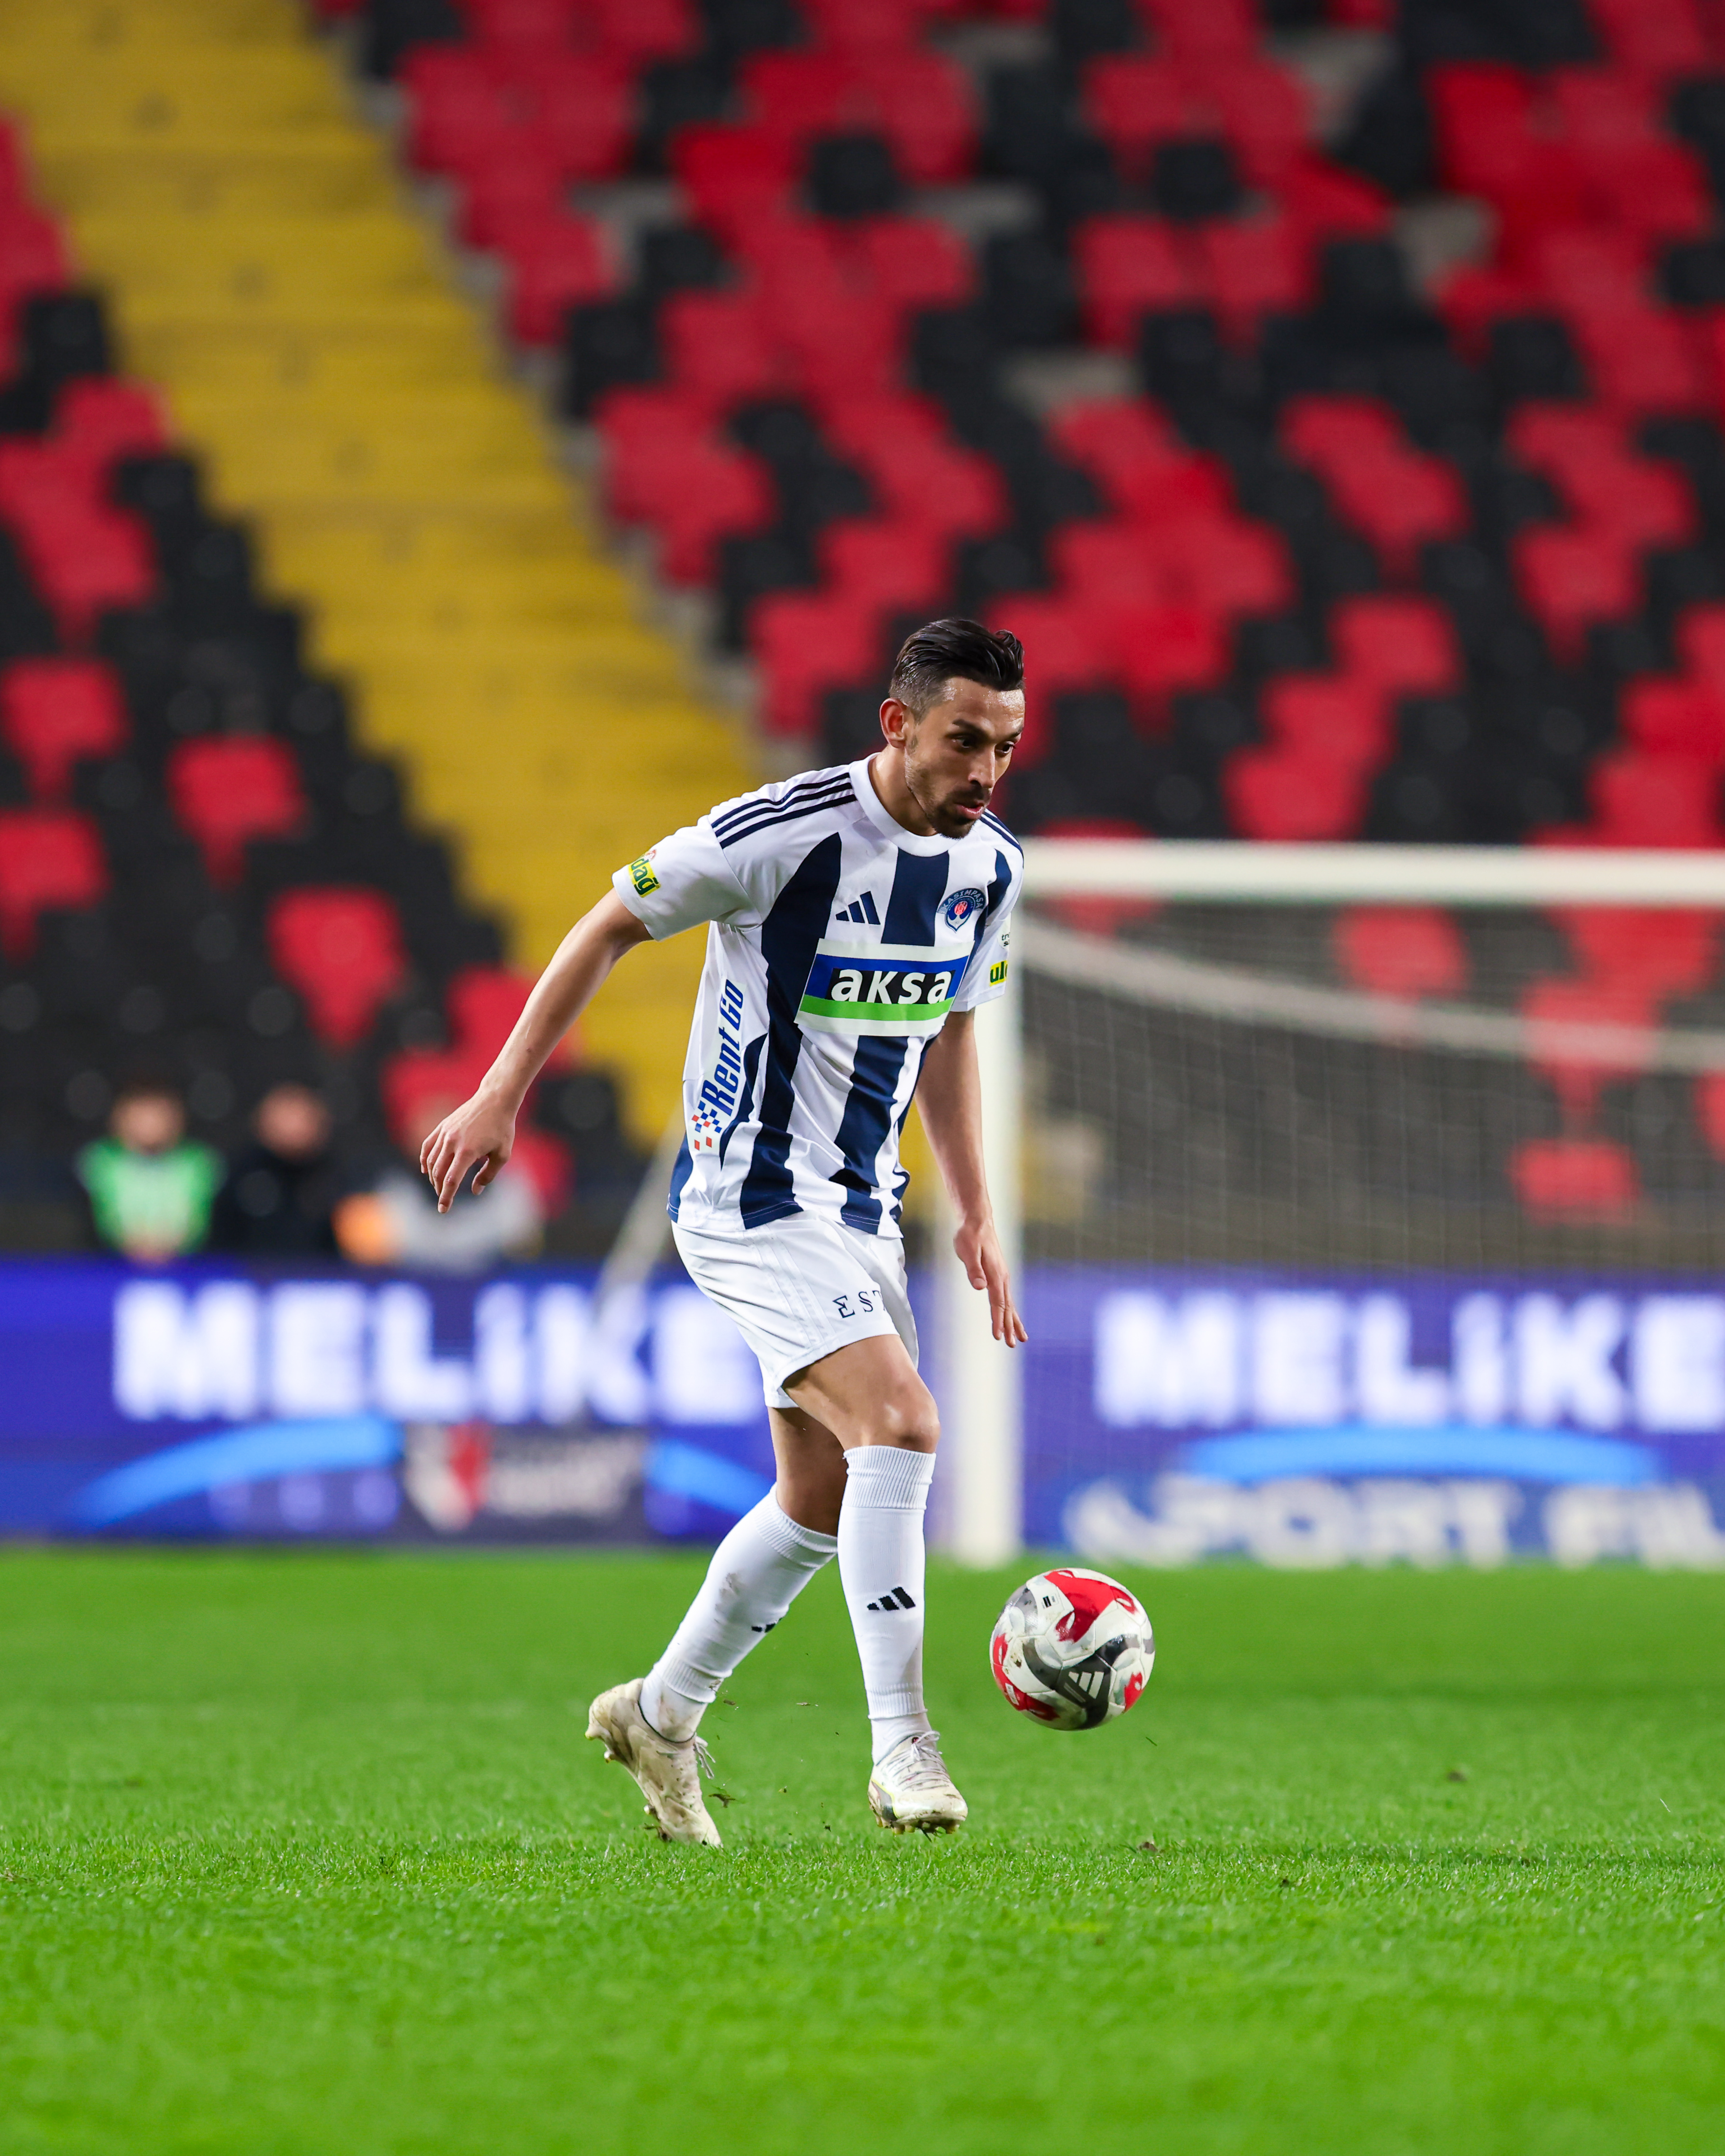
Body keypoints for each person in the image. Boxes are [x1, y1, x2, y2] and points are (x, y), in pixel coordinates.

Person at [422, 618, 1028, 1841]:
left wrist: (971, 1204)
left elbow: (953, 1030)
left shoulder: (991, 870)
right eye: (964, 740)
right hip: (748, 1199)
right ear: (898, 723)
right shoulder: (780, 832)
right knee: (903, 1423)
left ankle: (659, 1712)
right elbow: (606, 922)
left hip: (861, 1211)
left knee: (819, 1497)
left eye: (1005, 747)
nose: (985, 770)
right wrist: (499, 1092)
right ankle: (903, 1744)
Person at [336, 1088, 543, 1272]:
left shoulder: (505, 1184)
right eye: (431, 1131)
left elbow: (523, 1240)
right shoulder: (390, 1189)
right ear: (410, 1138)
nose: (443, 1142)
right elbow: (380, 1249)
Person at [78, 1078, 223, 1264]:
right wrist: (135, 1245)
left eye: (157, 1116)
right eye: (140, 1117)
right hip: (111, 1266)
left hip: (188, 1267)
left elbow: (196, 1221)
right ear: (119, 1120)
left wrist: (167, 1246)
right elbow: (106, 1219)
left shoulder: (198, 1161)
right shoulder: (101, 1160)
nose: (149, 1124)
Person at [210, 1080, 342, 1257]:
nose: (294, 1126)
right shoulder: (241, 1173)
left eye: (302, 1117)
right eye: (287, 1116)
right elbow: (219, 1242)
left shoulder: (331, 1176)